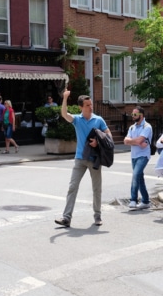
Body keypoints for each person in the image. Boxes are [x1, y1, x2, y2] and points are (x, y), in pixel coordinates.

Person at [54, 91, 111, 227]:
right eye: (87, 105)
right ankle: (66, 218)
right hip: (80, 159)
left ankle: (97, 216)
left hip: (94, 159)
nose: (91, 107)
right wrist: (65, 98)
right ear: (81, 107)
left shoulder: (98, 120)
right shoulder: (77, 120)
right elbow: (64, 114)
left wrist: (98, 141)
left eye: (91, 104)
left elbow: (109, 136)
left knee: (97, 188)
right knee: (72, 187)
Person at [124, 106, 153, 210]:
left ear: (141, 115)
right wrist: (136, 142)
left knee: (135, 175)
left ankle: (133, 200)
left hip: (143, 155)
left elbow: (136, 141)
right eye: (132, 114)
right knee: (139, 178)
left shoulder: (147, 127)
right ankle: (145, 201)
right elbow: (126, 141)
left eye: (135, 114)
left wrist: (133, 141)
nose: (133, 116)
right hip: (134, 156)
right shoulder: (132, 127)